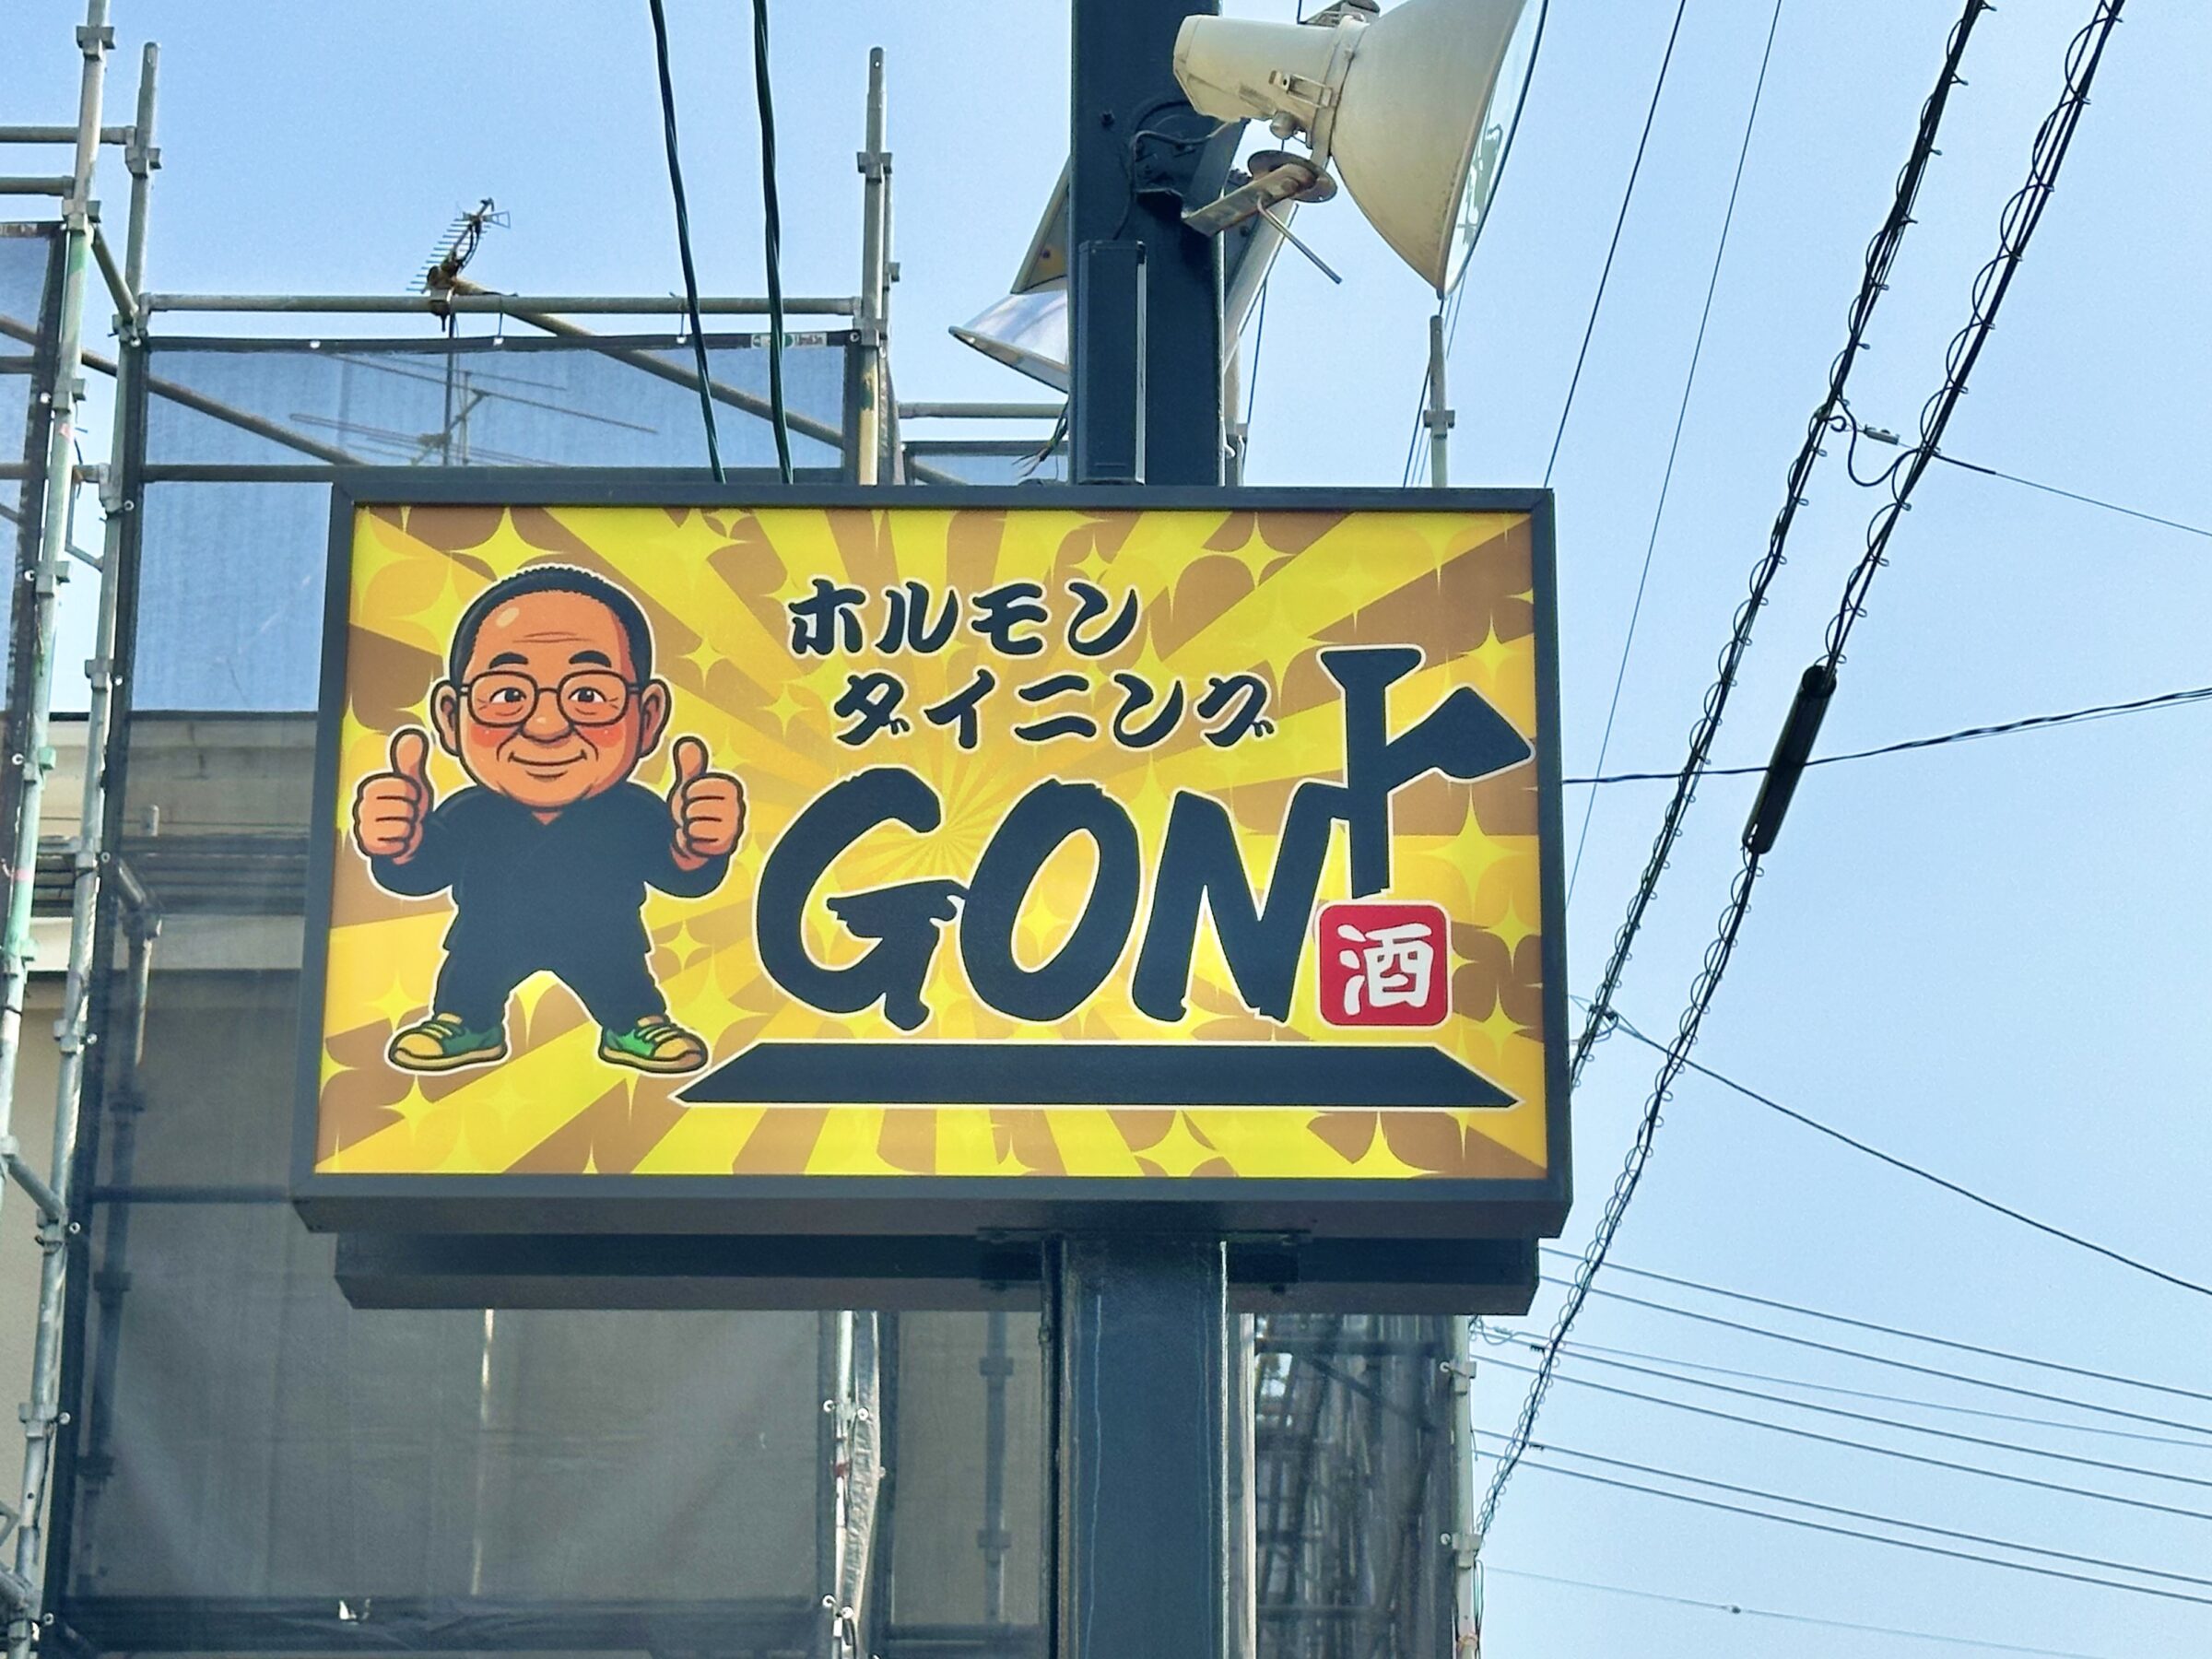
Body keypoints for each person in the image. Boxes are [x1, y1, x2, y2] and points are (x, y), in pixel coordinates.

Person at [350, 563, 744, 1076]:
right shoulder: (470, 814)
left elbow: (679, 874)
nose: (546, 725)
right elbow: (422, 872)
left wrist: (699, 846)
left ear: (647, 718)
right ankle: (466, 1022)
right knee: (471, 975)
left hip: (603, 936)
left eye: (588, 695)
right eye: (508, 695)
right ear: (451, 717)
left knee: (623, 981)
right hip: (490, 934)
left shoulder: (633, 812)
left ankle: (635, 1023)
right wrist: (398, 841)